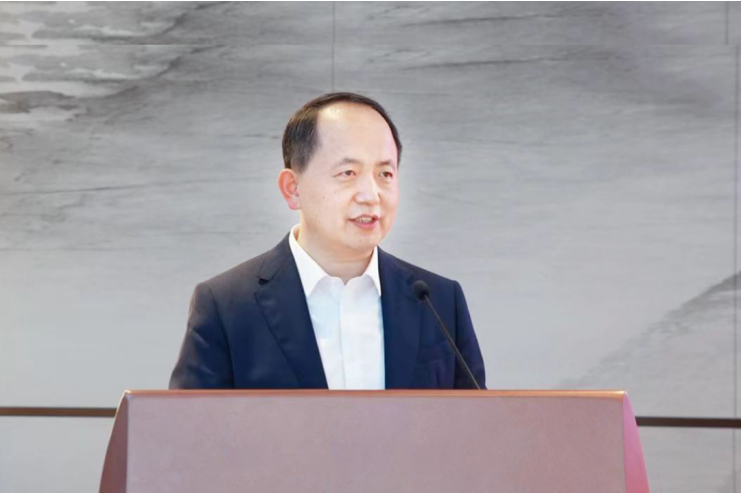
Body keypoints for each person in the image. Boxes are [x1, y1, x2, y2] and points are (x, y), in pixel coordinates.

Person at [169, 92, 486, 390]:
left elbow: (479, 423)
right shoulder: (227, 306)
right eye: (348, 173)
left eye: (385, 174)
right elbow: (190, 427)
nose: (371, 195)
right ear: (293, 188)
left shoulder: (439, 302)